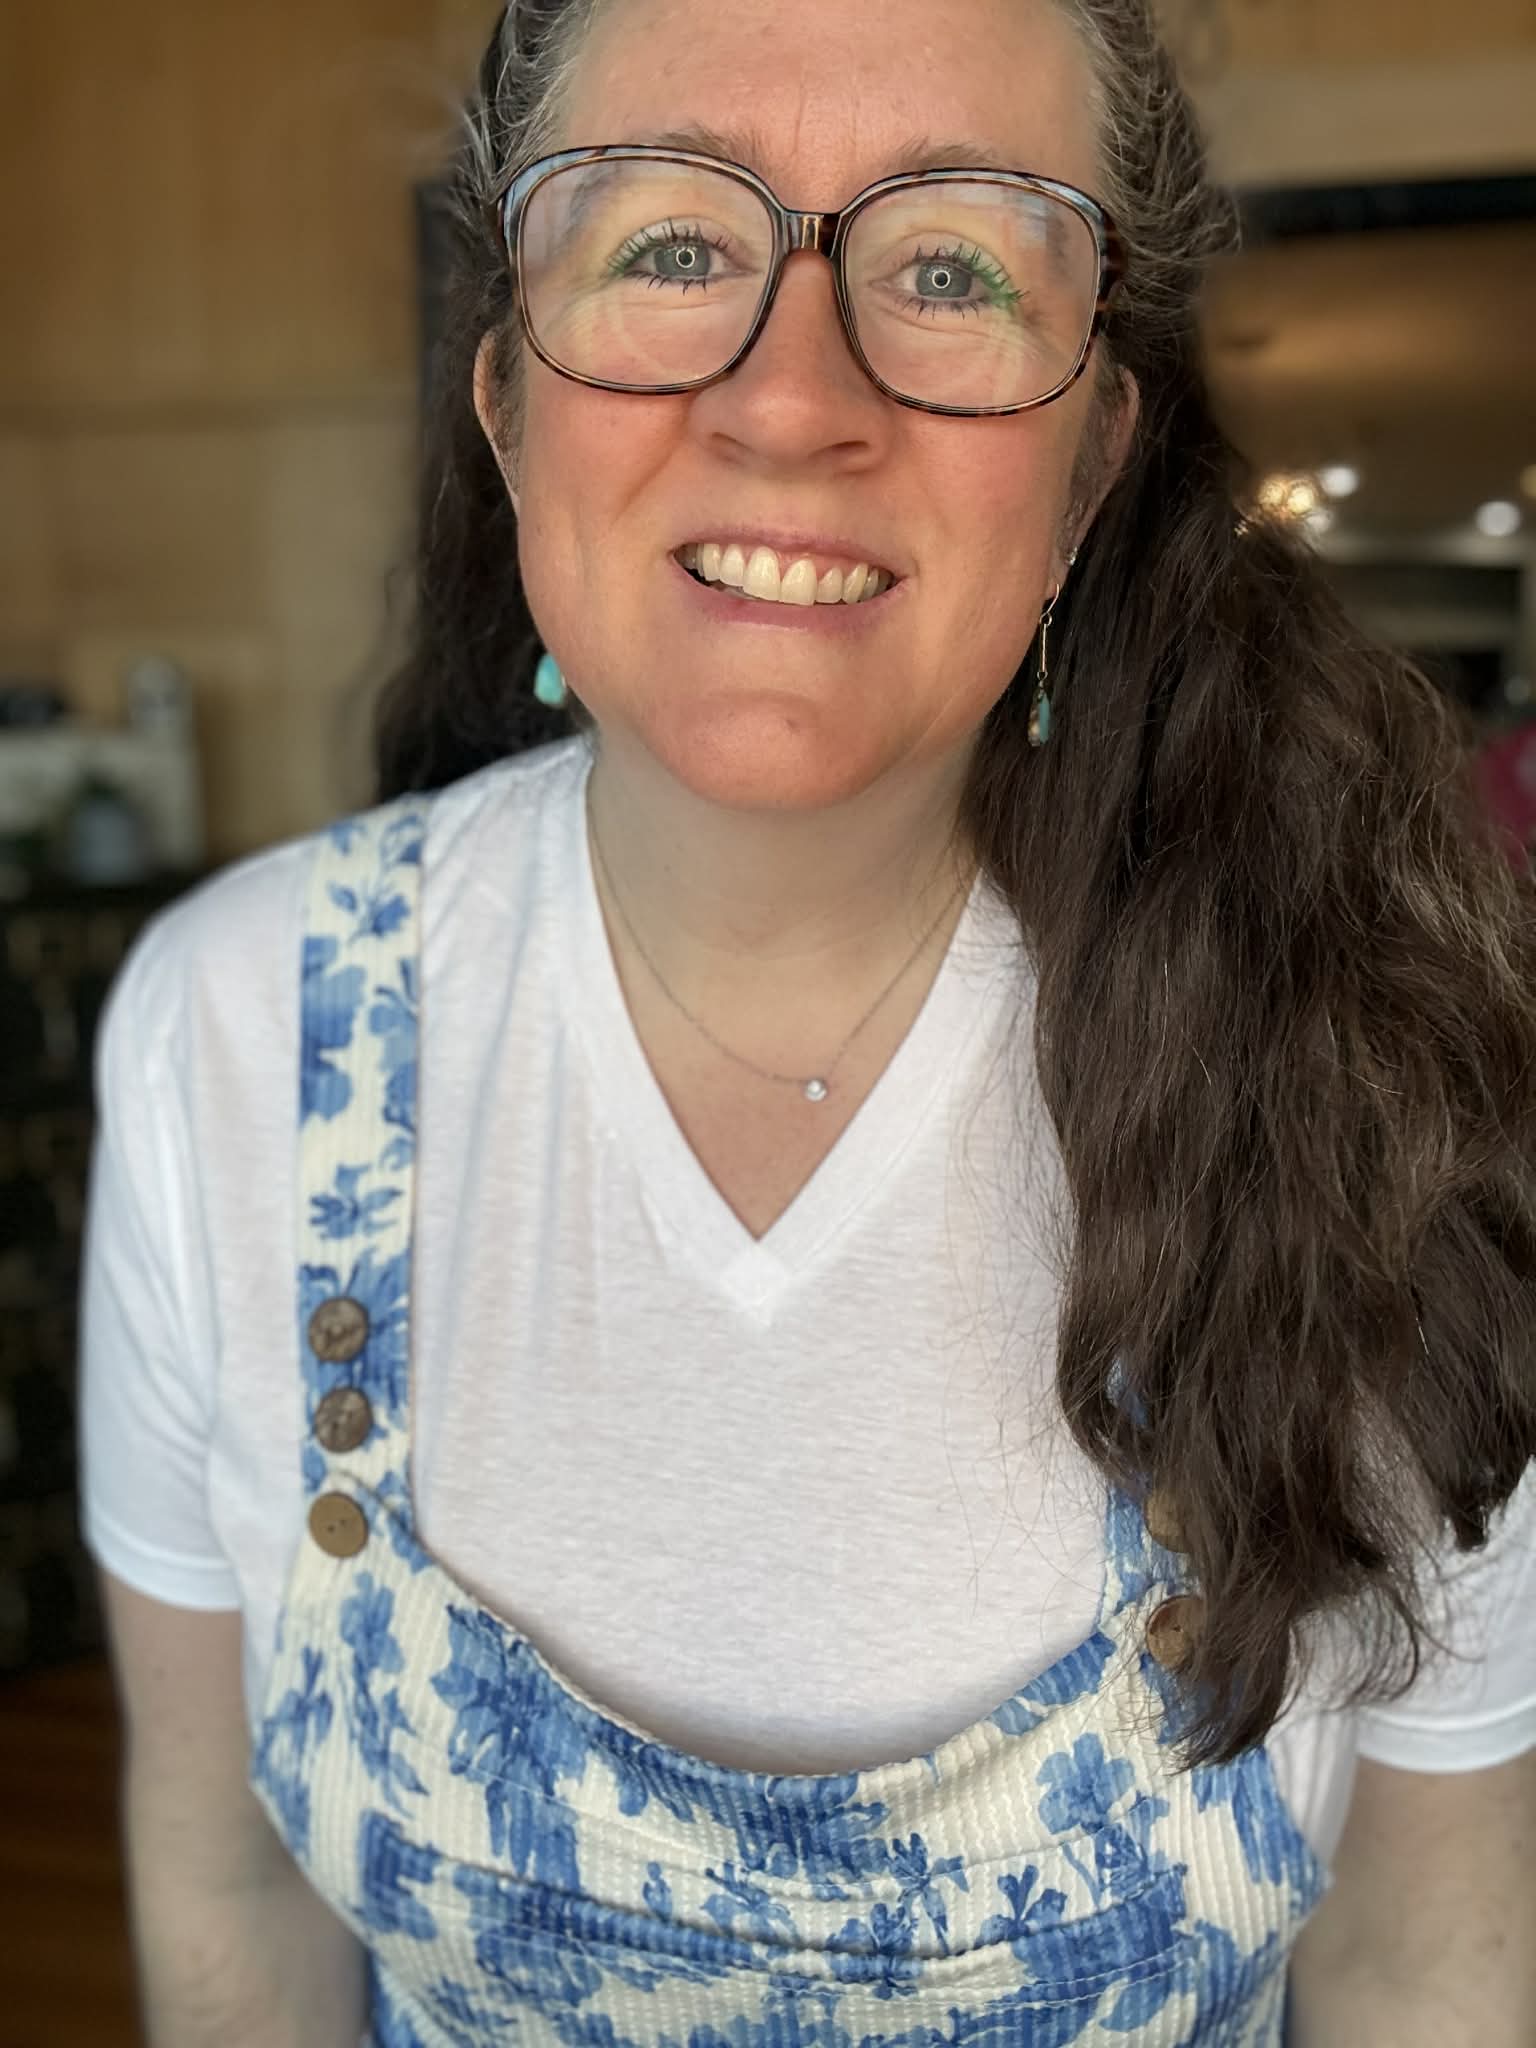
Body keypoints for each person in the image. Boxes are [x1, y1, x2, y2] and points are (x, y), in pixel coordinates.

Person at [79, 0, 1536, 2041]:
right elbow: (226, 1883)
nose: (790, 399)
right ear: (508, 404)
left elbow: (1426, 1962)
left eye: (951, 267)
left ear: (1093, 462)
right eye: (674, 243)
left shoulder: (1378, 1092)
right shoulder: (235, 1039)